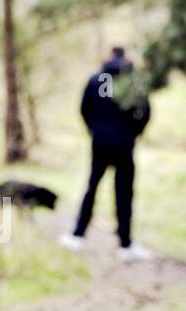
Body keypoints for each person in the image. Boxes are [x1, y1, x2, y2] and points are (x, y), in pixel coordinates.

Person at [61, 47, 153, 259]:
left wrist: (95, 130)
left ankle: (78, 234)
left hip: (100, 143)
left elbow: (84, 109)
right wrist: (133, 132)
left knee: (92, 188)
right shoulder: (133, 81)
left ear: (110, 56)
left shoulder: (96, 79)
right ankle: (126, 243)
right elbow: (146, 112)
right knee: (124, 193)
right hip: (124, 144)